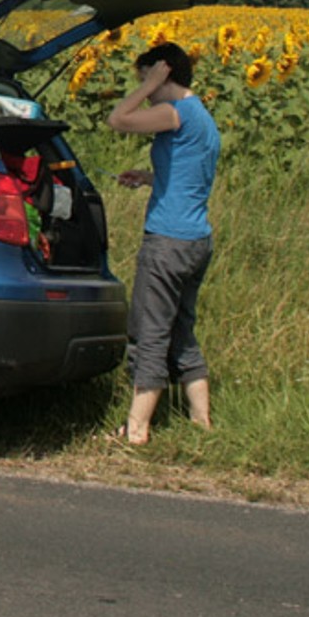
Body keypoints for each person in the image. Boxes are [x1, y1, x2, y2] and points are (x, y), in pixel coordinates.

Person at [106, 42, 220, 446]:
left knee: (149, 332)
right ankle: (201, 421)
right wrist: (149, 178)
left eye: (147, 80)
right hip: (197, 240)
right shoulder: (202, 117)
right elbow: (191, 176)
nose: (146, 90)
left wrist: (150, 81)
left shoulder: (175, 113)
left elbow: (118, 119)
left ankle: (135, 431)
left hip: (167, 242)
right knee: (182, 331)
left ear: (164, 73)